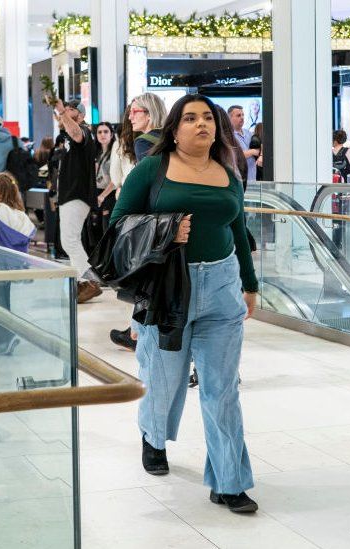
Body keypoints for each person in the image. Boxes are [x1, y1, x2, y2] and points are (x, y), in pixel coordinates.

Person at [111, 94, 260, 514]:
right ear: (173, 128)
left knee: (222, 389)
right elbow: (117, 223)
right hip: (168, 289)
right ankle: (153, 437)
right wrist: (168, 230)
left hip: (222, 287)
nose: (201, 124)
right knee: (164, 378)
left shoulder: (228, 173)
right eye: (190, 118)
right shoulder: (151, 170)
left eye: (208, 118)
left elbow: (239, 230)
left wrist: (249, 285)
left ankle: (229, 481)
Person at [108, 94, 168, 351]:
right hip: (173, 219)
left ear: (150, 113)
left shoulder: (145, 142)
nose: (130, 117)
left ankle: (138, 333)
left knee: (148, 279)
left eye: (136, 112)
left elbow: (150, 182)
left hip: (155, 221)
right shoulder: (170, 138)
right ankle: (135, 329)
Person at [0, 172, 36, 355]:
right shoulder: (19, 215)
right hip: (13, 265)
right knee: (5, 301)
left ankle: (3, 340)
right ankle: (7, 336)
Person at [52, 98, 101, 303]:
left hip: (78, 194)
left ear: (80, 116)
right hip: (69, 195)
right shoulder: (67, 139)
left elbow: (75, 132)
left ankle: (91, 281)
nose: (66, 113)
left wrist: (62, 111)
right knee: (70, 240)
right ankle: (81, 282)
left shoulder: (84, 132)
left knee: (70, 240)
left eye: (72, 110)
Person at [130, 92, 168, 162]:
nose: (130, 117)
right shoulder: (172, 136)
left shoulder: (143, 142)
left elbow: (148, 172)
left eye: (134, 112)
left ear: (150, 114)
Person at [227, 105, 258, 184]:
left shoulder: (249, 133)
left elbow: (260, 146)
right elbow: (234, 155)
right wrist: (253, 152)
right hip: (237, 182)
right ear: (229, 118)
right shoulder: (227, 136)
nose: (242, 117)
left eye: (243, 115)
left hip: (252, 180)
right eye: (238, 115)